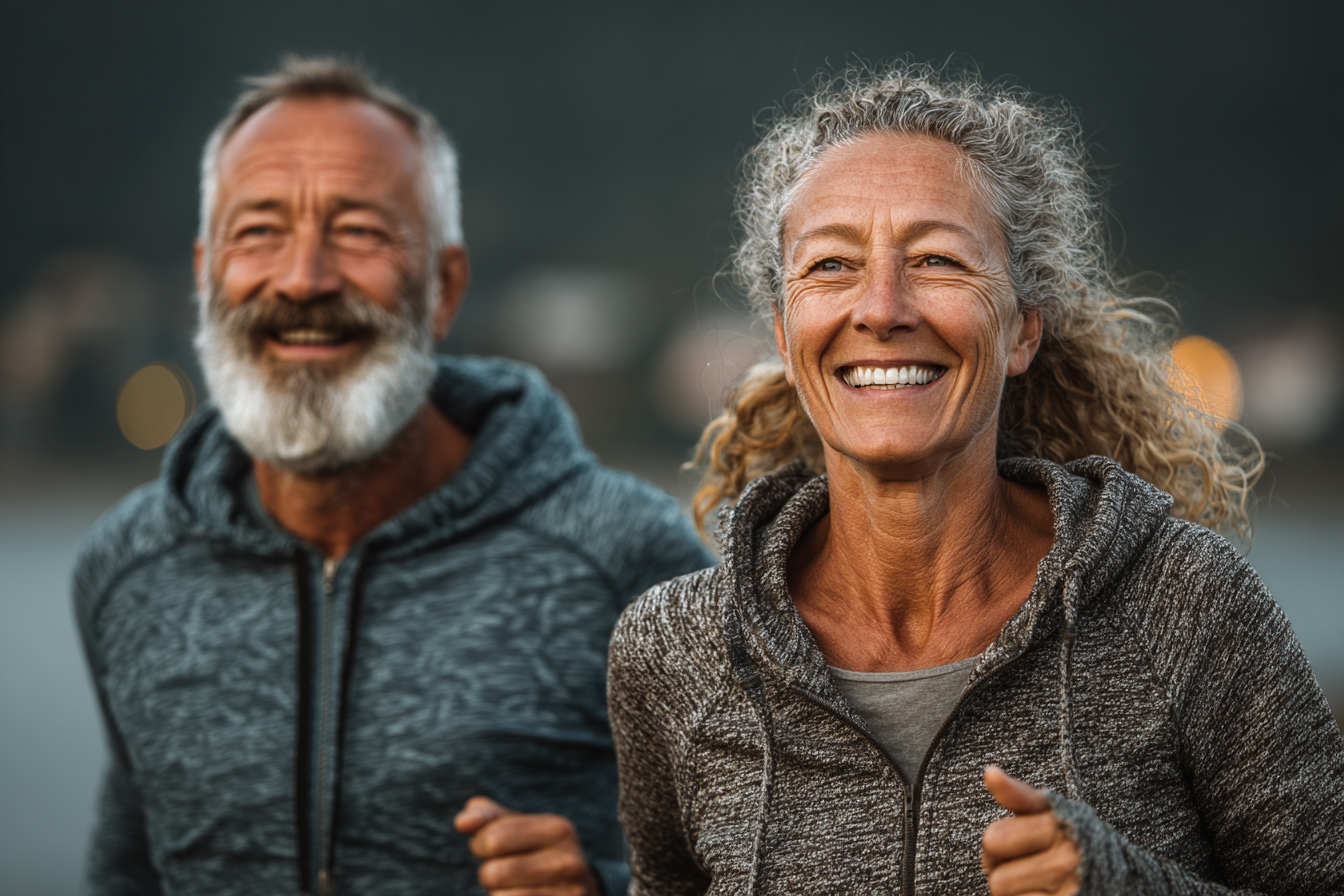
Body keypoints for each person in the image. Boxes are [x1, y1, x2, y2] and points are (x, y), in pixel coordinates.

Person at [607, 63, 1344, 895]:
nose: (881, 308)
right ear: (784, 332)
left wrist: (1126, 884)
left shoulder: (1188, 608)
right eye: (832, 265)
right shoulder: (674, 652)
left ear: (1022, 330)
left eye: (937, 260)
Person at [75, 56, 713, 896]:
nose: (304, 278)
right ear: (204, 276)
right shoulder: (127, 566)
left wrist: (605, 887)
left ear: (445, 286)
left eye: (360, 232)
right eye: (259, 231)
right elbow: (129, 872)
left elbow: (759, 859)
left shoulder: (628, 558)